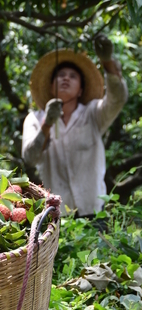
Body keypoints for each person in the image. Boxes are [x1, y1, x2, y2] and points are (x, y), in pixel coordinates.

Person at [21, 35, 128, 217]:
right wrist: (47, 124)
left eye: (72, 76)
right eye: (60, 76)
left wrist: (107, 63)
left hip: (94, 210)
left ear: (80, 90)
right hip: (58, 215)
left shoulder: (93, 113)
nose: (66, 79)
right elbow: (30, 158)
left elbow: (117, 99)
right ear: (51, 86)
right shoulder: (34, 118)